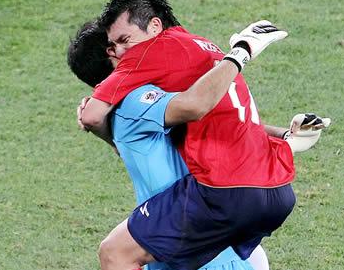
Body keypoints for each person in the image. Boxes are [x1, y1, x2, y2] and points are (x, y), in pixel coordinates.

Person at [72, 0, 328, 270]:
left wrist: (242, 51)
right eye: (115, 45)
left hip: (216, 210)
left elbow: (96, 116)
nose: (124, 51)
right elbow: (227, 117)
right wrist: (286, 136)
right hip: (268, 198)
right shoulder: (198, 50)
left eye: (123, 41)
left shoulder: (135, 98)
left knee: (114, 253)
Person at [69, 21, 273, 270]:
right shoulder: (137, 101)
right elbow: (196, 104)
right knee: (113, 253)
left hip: (195, 244)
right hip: (207, 251)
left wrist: (97, 119)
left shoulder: (122, 114)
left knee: (115, 253)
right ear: (113, 57)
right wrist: (240, 51)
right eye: (124, 45)